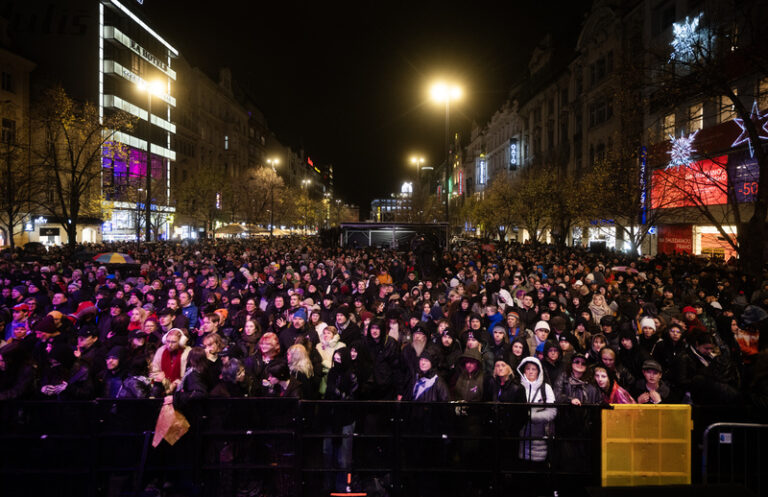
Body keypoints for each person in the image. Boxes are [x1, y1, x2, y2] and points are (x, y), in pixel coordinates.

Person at [516, 357, 556, 463]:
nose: (530, 371)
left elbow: (552, 412)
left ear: (539, 371)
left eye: (534, 369)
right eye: (528, 368)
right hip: (521, 437)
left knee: (539, 470)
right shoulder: (517, 387)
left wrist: (530, 416)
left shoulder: (546, 388)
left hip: (540, 436)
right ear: (523, 370)